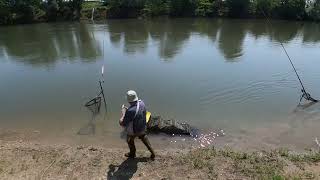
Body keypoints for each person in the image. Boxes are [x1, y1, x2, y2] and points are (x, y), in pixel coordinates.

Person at [119, 90, 155, 159]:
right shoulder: (142, 103)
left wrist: (123, 113)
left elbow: (122, 123)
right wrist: (128, 111)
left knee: (129, 140)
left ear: (128, 100)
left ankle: (132, 154)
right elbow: (138, 112)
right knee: (145, 140)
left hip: (134, 130)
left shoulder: (130, 111)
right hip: (142, 127)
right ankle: (153, 153)